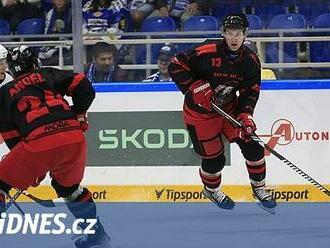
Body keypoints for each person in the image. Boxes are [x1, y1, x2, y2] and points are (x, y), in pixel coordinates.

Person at [0, 45, 110, 248]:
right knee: (69, 189)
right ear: (35, 63)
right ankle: (97, 236)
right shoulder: (48, 74)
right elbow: (84, 88)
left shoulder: (5, 93)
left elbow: (11, 137)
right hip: (73, 138)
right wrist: (78, 114)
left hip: (39, 144)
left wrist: (31, 170)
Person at [168, 13, 276, 212]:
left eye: (238, 33)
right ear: (223, 33)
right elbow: (175, 64)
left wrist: (245, 115)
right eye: (230, 33)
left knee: (253, 146)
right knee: (215, 159)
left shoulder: (250, 60)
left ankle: (259, 188)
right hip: (199, 114)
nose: (234, 38)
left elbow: (250, 91)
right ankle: (212, 189)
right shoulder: (207, 50)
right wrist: (193, 87)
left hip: (227, 108)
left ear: (245, 35)